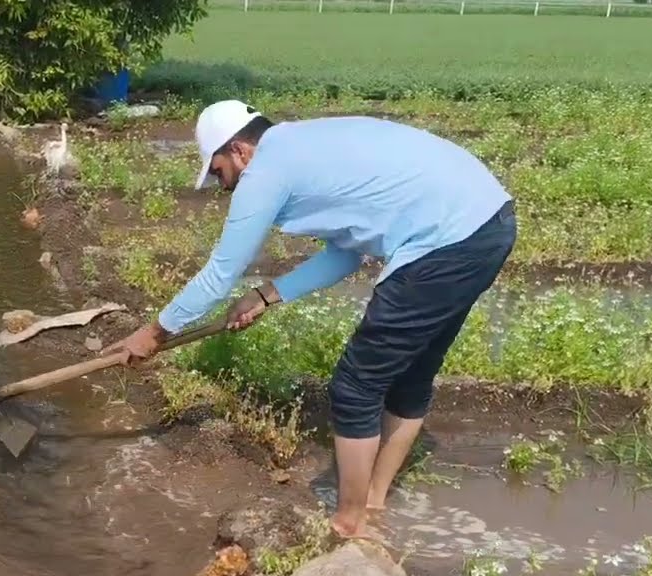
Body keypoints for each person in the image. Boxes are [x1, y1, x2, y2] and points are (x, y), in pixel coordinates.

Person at [106, 100, 517, 540]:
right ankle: (372, 505)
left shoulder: (266, 171)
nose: (222, 186)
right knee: (411, 375)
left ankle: (348, 524)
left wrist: (153, 334)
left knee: (355, 385)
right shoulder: (301, 146)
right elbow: (346, 255)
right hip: (489, 223)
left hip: (446, 239)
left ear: (241, 150)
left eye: (220, 173)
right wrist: (267, 296)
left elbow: (218, 275)